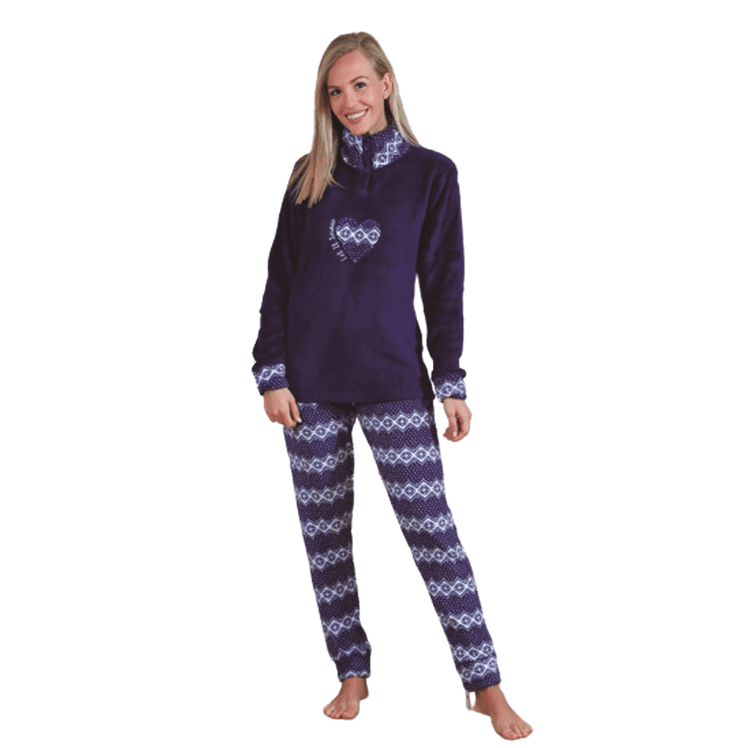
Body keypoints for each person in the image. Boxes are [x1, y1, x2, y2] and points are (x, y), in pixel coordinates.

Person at [251, 31, 532, 740]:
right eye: (334, 91)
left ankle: (485, 685)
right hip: (308, 385)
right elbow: (280, 280)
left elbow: (443, 282)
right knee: (325, 539)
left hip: (392, 379)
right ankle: (351, 672)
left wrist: (451, 380)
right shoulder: (308, 175)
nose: (348, 101)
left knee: (435, 535)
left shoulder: (432, 174)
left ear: (386, 83)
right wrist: (270, 371)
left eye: (359, 85)